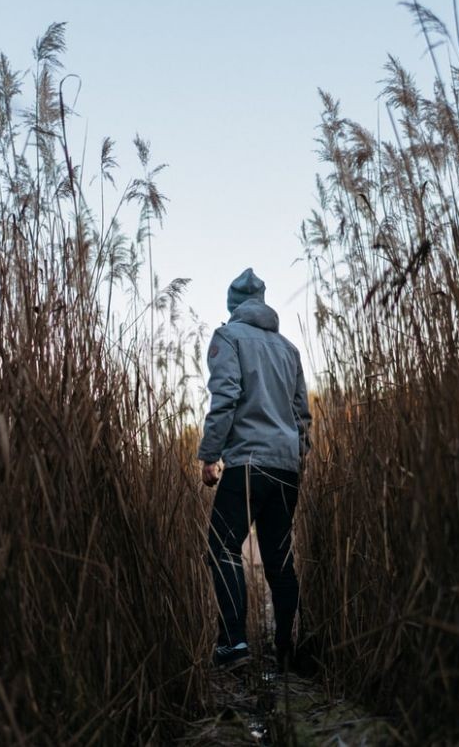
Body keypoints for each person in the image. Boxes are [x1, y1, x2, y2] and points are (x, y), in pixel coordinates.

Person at [198, 268, 312, 671]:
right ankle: (285, 650)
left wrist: (210, 455)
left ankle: (234, 645)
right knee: (279, 559)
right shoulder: (289, 349)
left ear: (233, 305)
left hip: (247, 463)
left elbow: (225, 397)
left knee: (222, 547)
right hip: (285, 468)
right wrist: (299, 458)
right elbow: (302, 416)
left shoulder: (228, 337)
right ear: (263, 302)